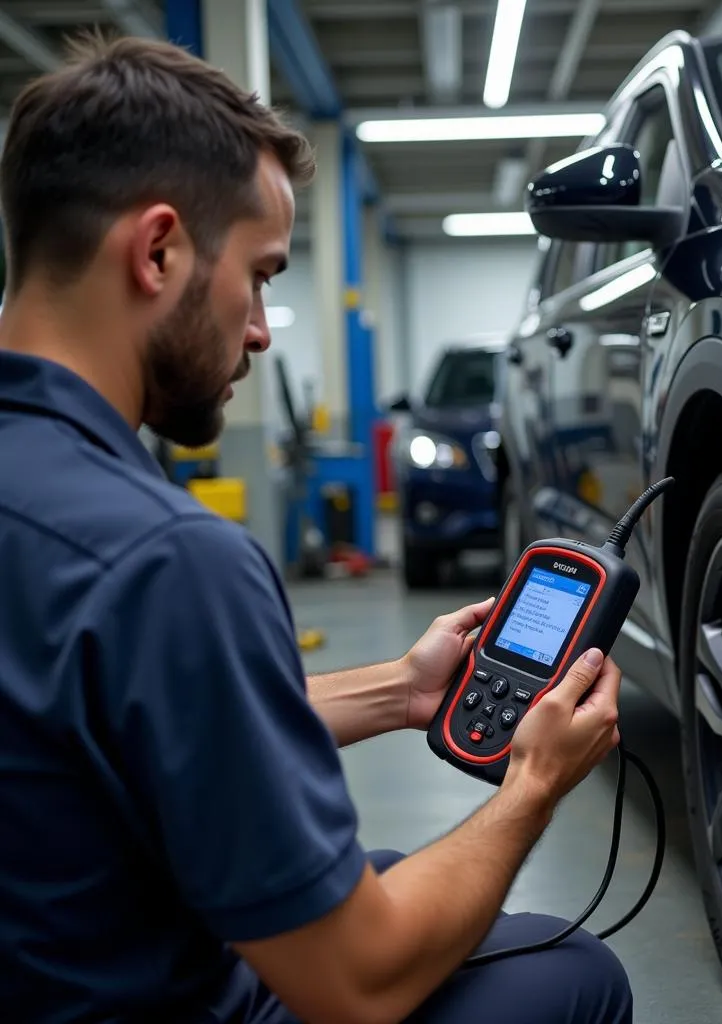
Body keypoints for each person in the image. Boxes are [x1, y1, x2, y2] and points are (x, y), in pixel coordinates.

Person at [0, 31, 632, 1024]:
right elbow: (358, 984)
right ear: (157, 250)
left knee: (385, 872)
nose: (259, 326)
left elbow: (129, 718)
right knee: (576, 974)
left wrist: (395, 692)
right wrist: (535, 785)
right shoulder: (169, 558)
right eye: (257, 275)